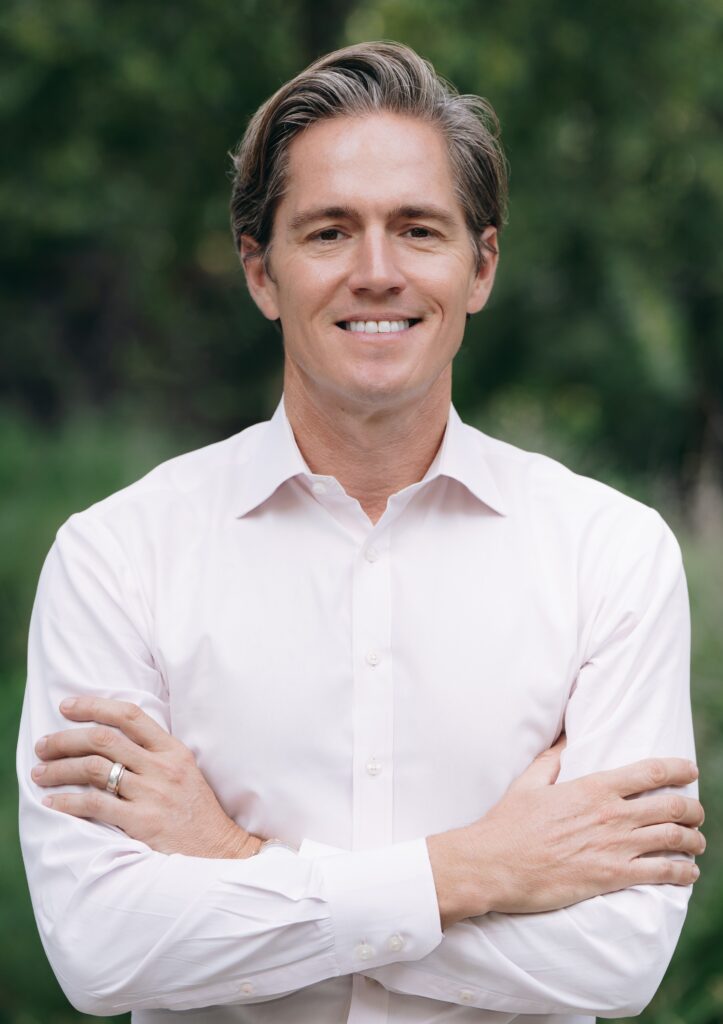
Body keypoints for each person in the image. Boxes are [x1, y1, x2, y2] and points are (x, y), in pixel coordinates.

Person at [17, 41, 703, 1024]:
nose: (376, 273)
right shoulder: (118, 556)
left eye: (418, 230)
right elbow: (103, 948)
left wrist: (236, 862)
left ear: (480, 266)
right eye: (330, 232)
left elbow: (616, 956)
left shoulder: (610, 555)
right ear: (261, 272)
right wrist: (479, 869)